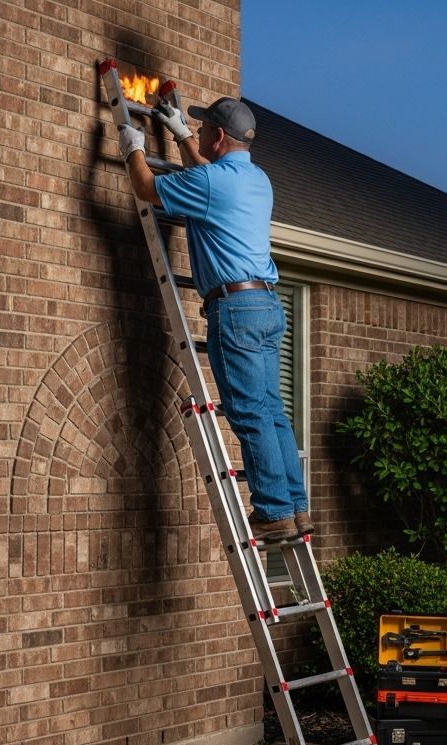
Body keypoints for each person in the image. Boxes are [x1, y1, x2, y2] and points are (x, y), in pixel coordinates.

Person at [116, 94, 309, 542]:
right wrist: (183, 136)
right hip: (267, 306)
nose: (199, 133)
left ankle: (273, 512)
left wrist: (133, 148)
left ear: (219, 136)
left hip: (236, 310)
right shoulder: (258, 179)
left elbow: (146, 188)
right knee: (272, 412)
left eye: (203, 130)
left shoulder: (212, 182)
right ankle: (296, 508)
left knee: (248, 413)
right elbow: (209, 177)